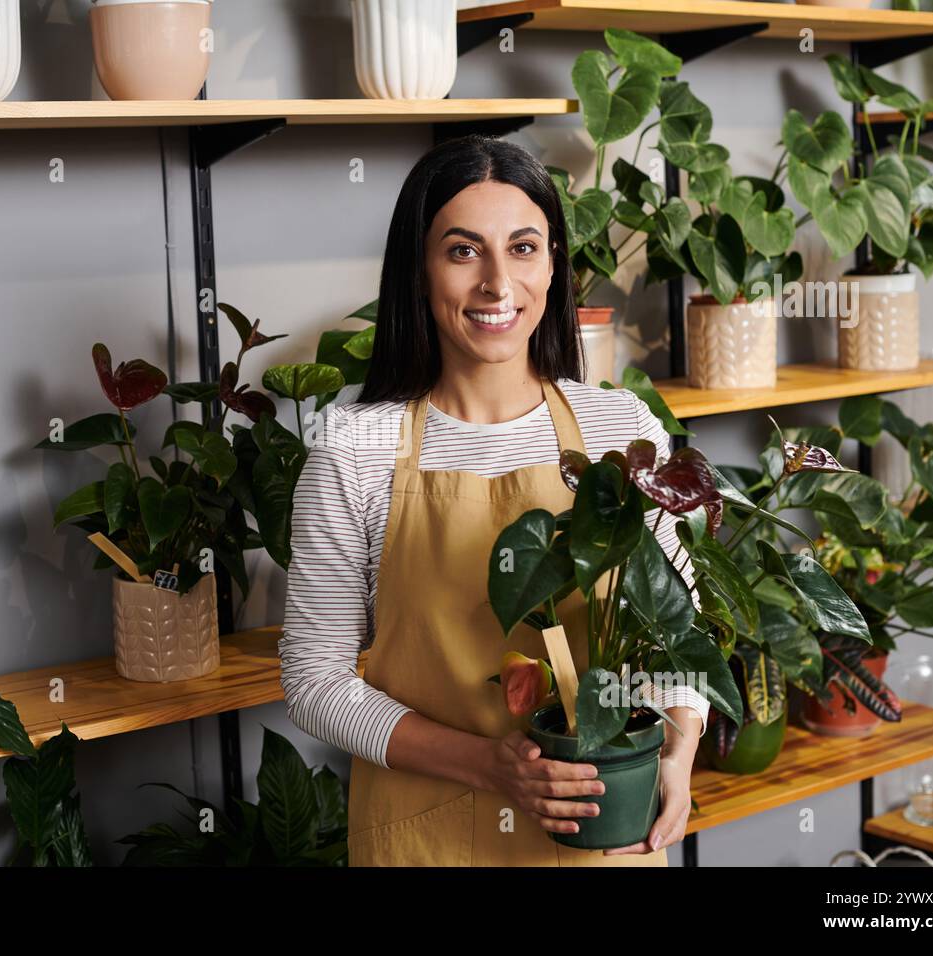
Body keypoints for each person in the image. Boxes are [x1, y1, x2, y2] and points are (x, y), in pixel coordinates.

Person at [280, 134, 707, 867]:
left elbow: (677, 624)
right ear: (418, 272)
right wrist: (490, 765)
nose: (497, 283)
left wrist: (677, 748)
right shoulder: (355, 447)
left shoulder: (620, 428)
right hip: (427, 834)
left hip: (600, 836)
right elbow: (313, 681)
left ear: (554, 266)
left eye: (523, 247)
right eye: (462, 250)